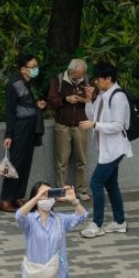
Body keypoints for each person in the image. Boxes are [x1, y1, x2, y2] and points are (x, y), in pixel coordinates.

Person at [78, 62, 132, 238]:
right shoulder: (103, 95)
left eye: (98, 78)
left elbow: (118, 125)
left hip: (115, 149)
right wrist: (88, 99)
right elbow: (92, 115)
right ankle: (119, 221)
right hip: (106, 148)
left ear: (108, 79)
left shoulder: (118, 97)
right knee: (111, 184)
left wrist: (94, 125)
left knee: (95, 183)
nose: (95, 82)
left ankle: (97, 223)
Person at [0, 53, 47, 213]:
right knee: (16, 163)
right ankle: (5, 199)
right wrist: (9, 134)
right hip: (20, 128)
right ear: (23, 69)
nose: (35, 69)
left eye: (36, 66)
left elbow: (26, 105)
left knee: (26, 163)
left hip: (30, 127)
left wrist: (37, 105)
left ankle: (18, 196)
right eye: (32, 67)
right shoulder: (15, 84)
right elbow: (11, 111)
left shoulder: (28, 83)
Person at [46, 59, 93, 202]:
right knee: (62, 161)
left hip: (81, 124)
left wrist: (84, 98)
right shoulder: (59, 80)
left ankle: (82, 189)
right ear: (71, 71)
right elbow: (51, 100)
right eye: (78, 74)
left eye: (82, 74)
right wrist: (66, 99)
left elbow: (95, 99)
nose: (80, 77)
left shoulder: (87, 80)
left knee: (82, 160)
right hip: (63, 125)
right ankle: (61, 191)